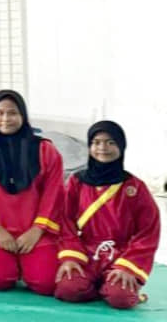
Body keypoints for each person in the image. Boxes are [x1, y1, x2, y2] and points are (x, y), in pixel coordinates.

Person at [0, 90, 63, 295]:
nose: (5, 119)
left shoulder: (45, 150)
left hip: (35, 229)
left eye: (12, 113)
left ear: (23, 115)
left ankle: (25, 264)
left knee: (45, 283)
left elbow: (54, 194)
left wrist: (36, 231)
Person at [55, 121, 160, 309]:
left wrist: (127, 267)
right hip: (87, 253)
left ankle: (117, 289)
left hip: (121, 254)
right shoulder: (77, 182)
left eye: (110, 142)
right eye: (96, 142)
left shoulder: (135, 187)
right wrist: (71, 257)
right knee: (68, 290)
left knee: (120, 298)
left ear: (121, 146)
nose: (103, 148)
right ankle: (101, 286)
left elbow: (148, 231)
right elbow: (65, 221)